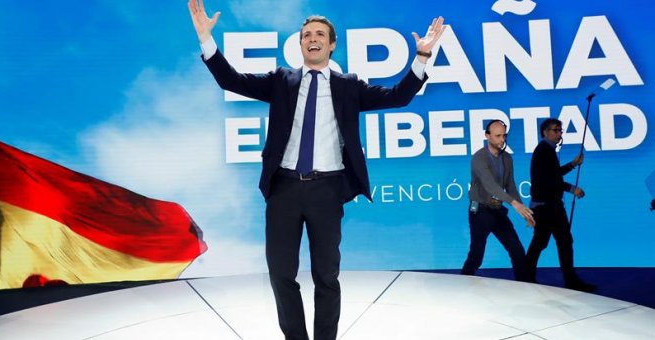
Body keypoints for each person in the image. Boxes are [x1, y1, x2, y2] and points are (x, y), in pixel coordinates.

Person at [187, 1, 446, 339]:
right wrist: (207, 40)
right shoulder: (282, 80)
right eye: (306, 34)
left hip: (327, 190)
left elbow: (398, 97)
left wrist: (422, 57)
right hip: (284, 189)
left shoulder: (349, 85)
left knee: (326, 276)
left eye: (320, 34)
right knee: (281, 274)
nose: (313, 39)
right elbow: (231, 80)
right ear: (300, 44)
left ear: (331, 43)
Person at [523, 118, 596, 292]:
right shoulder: (544, 151)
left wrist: (572, 164)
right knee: (558, 241)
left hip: (548, 205)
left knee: (545, 241)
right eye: (555, 130)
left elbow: (553, 174)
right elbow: (551, 180)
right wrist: (572, 188)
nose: (559, 134)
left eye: (560, 131)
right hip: (547, 206)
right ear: (545, 132)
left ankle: (526, 276)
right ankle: (568, 281)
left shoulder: (546, 150)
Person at [461, 120, 535, 281]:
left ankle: (526, 287)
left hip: (498, 211)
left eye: (504, 135)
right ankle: (463, 284)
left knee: (517, 250)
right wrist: (514, 204)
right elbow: (490, 186)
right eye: (498, 136)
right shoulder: (479, 157)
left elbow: (511, 186)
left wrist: (524, 211)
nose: (502, 140)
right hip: (480, 212)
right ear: (487, 136)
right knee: (476, 255)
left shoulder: (507, 158)